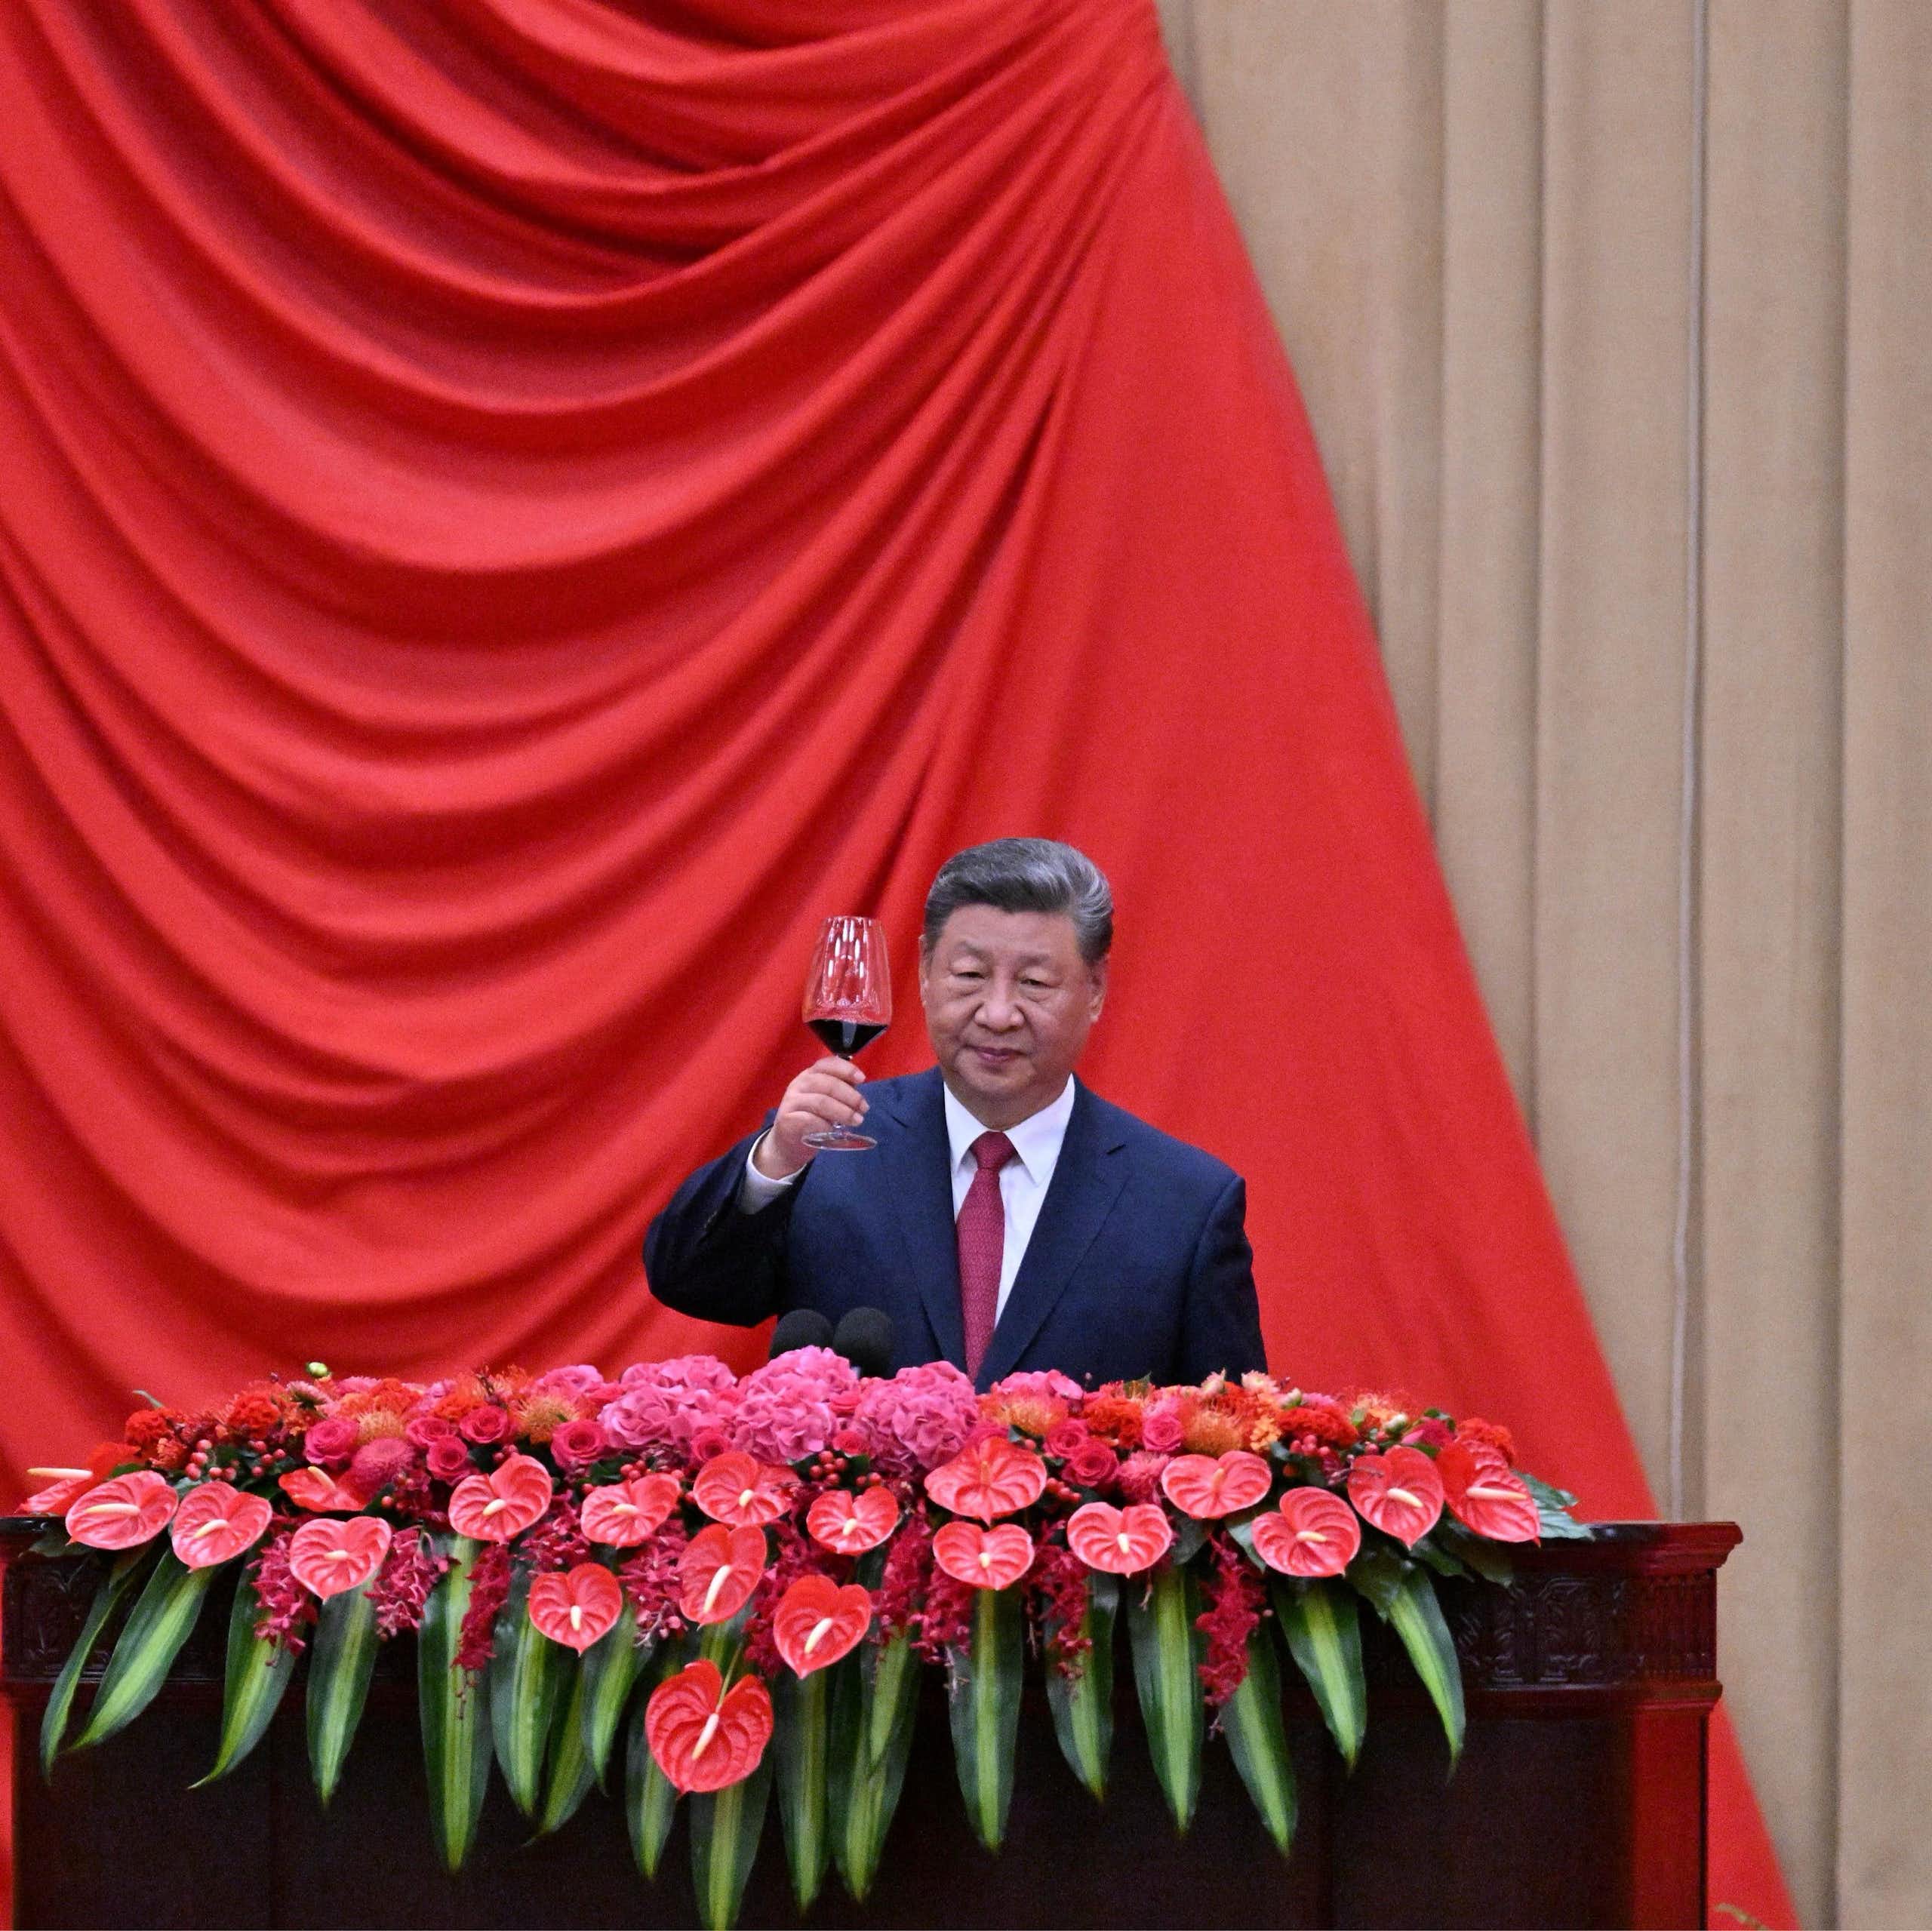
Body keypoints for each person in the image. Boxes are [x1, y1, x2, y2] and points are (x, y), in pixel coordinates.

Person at [644, 838, 1266, 1389]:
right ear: (923, 972)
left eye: (1034, 984)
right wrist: (775, 1161)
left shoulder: (1185, 1202)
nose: (997, 1013)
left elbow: (1233, 1447)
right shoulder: (827, 1147)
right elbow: (688, 1282)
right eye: (969, 974)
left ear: (1096, 989)